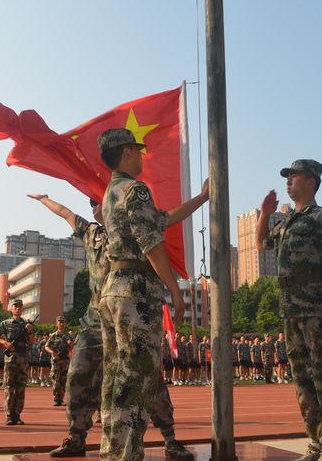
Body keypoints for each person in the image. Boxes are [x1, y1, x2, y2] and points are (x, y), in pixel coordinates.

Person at [30, 185, 205, 461]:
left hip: (128, 311)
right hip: (95, 317)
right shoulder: (91, 233)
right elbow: (65, 213)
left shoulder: (130, 229)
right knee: (78, 375)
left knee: (148, 375)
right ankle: (76, 438)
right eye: (91, 205)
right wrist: (45, 199)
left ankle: (170, 438)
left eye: (97, 202)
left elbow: (170, 216)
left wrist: (202, 197)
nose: (94, 208)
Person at [93, 128, 188, 461]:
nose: (142, 156)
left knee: (116, 373)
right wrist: (175, 289)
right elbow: (151, 243)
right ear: (127, 152)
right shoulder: (136, 189)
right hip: (137, 290)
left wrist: (202, 198)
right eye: (138, 150)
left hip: (114, 288)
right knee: (139, 376)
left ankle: (112, 451)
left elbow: (162, 220)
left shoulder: (112, 193)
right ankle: (126, 455)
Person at [256, 159, 322, 461]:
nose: (288, 180)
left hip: (316, 310)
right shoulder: (287, 222)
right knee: (303, 383)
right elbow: (261, 244)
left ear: (311, 182)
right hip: (291, 312)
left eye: (294, 176)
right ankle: (315, 442)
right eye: (287, 176)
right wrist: (265, 214)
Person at [0, 299, 34, 425]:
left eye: (20, 306)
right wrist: (4, 343)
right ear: (11, 308)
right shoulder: (5, 323)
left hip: (23, 360)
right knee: (9, 388)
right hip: (10, 361)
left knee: (20, 389)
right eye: (15, 306)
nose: (17, 308)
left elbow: (32, 341)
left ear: (22, 308)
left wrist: (30, 331)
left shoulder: (26, 324)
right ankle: (9, 415)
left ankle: (17, 414)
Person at [45, 316, 73, 406]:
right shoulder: (53, 335)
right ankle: (56, 397)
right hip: (56, 361)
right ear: (56, 323)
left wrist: (70, 344)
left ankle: (60, 399)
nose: (61, 323)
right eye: (59, 322)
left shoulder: (69, 336)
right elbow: (46, 346)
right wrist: (52, 352)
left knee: (63, 380)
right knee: (55, 380)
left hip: (65, 361)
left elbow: (73, 347)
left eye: (63, 322)